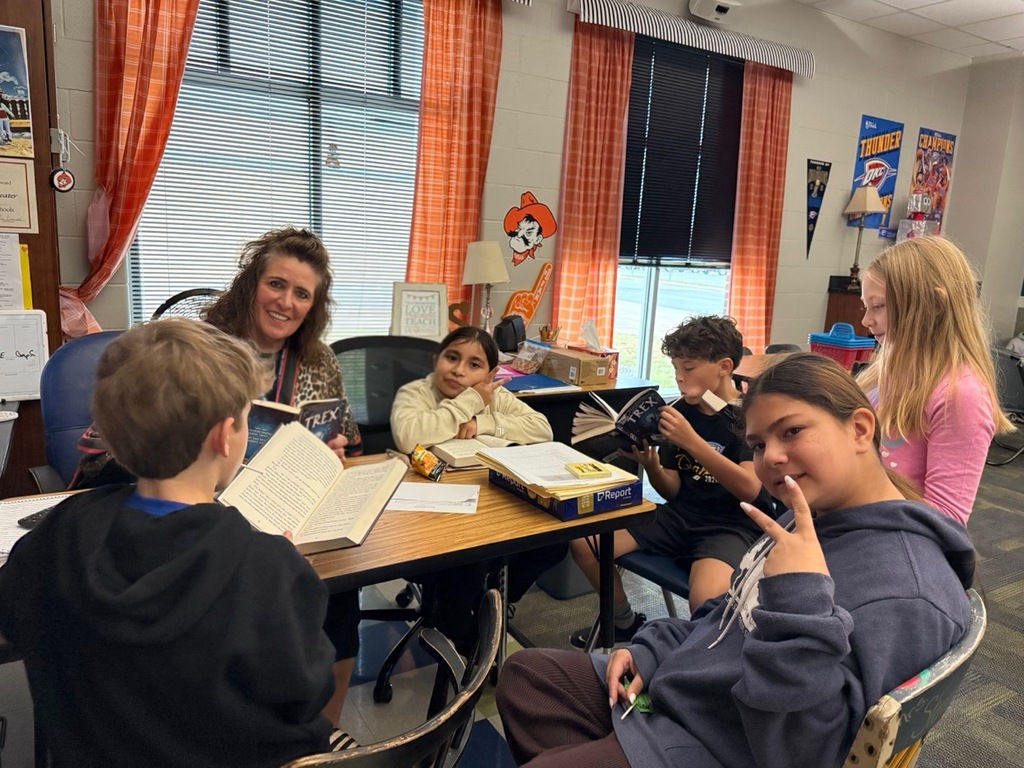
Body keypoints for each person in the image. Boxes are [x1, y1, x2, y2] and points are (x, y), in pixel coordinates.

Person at [496, 352, 975, 768]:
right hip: (688, 698)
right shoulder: (804, 517)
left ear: (859, 428)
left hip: (721, 744)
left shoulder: (909, 592)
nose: (773, 458)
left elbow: (810, 753)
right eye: (761, 444)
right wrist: (653, 649)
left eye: (792, 431)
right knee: (527, 678)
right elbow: (725, 615)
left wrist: (798, 601)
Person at [0, 319, 354, 766]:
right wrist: (282, 570)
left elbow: (13, 615)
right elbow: (305, 692)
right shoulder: (265, 567)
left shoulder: (61, 532)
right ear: (224, 436)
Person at [71, 226, 364, 725]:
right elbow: (111, 450)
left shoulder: (319, 359)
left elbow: (349, 444)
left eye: (301, 294)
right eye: (276, 284)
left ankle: (321, 737)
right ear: (250, 284)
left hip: (285, 519)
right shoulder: (190, 349)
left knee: (337, 593)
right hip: (190, 520)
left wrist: (331, 452)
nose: (286, 302)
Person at [568, 315, 772, 647]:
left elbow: (751, 488)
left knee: (704, 600)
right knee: (585, 541)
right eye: (676, 368)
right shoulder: (682, 410)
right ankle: (623, 622)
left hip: (731, 525)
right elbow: (672, 489)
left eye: (688, 368)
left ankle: (692, 663)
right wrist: (652, 466)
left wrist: (692, 442)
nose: (679, 378)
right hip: (680, 516)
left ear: (724, 366)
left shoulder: (750, 415)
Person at [390, 325, 564, 652]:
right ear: (436, 359)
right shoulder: (416, 393)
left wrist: (484, 421)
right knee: (468, 558)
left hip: (486, 501)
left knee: (553, 543)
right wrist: (469, 400)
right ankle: (459, 629)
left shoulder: (495, 396)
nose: (458, 369)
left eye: (474, 364)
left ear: (490, 373)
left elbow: (543, 430)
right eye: (452, 358)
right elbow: (409, 436)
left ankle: (492, 601)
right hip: (429, 511)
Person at [858, 235, 1013, 526]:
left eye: (878, 306)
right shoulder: (884, 372)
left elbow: (945, 520)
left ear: (934, 305)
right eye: (865, 306)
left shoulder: (961, 394)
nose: (866, 320)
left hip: (894, 546)